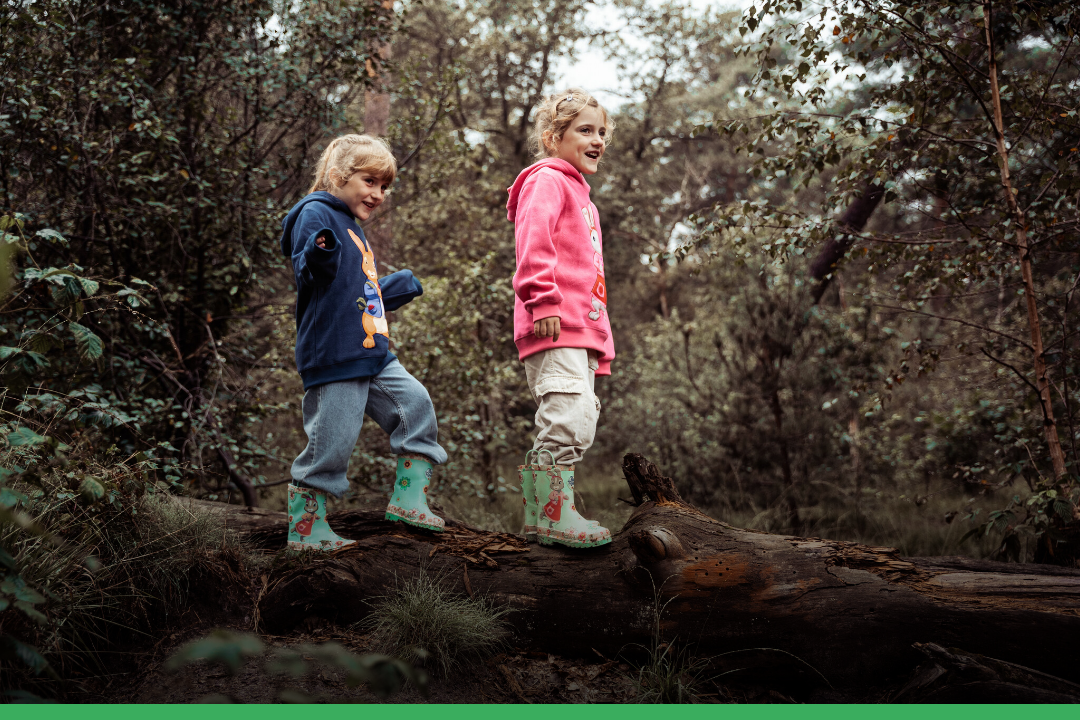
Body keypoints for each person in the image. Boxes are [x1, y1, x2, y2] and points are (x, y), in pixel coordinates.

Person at [280, 134, 447, 551]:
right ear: (338, 176)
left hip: (372, 353)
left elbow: (350, 292)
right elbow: (312, 269)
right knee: (331, 440)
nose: (378, 194)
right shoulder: (316, 212)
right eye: (370, 181)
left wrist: (392, 287)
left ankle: (410, 499)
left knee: (416, 406)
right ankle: (305, 531)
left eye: (384, 186)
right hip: (335, 353)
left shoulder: (351, 227)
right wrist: (319, 251)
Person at [507, 89, 616, 549]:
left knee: (578, 417)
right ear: (554, 137)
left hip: (581, 327)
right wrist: (544, 301)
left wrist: (599, 339)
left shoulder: (582, 196)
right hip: (555, 320)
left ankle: (544, 515)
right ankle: (553, 514)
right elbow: (533, 242)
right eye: (585, 130)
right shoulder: (547, 180)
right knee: (567, 416)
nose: (598, 140)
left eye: (602, 132)